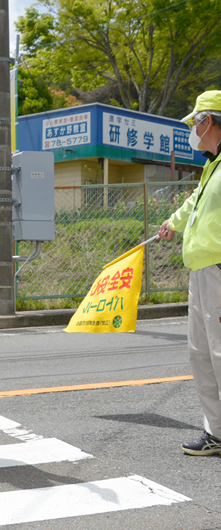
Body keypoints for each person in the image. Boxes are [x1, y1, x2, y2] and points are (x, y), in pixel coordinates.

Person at [158, 90, 221, 456]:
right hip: (201, 270)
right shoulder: (212, 167)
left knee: (219, 353)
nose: (191, 131)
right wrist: (172, 223)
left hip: (217, 269)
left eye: (194, 123)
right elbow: (193, 203)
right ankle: (216, 432)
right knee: (202, 354)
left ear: (208, 121)